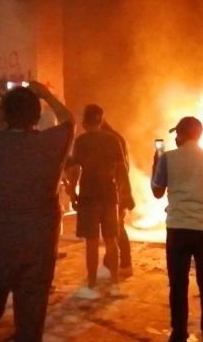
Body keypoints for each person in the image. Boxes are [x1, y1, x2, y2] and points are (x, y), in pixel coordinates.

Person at [0, 80, 74, 342]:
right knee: (30, 324)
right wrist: (46, 93)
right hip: (37, 250)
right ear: (37, 116)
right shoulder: (50, 144)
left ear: (3, 114)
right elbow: (69, 121)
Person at [151, 116, 203, 342]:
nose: (175, 138)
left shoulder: (167, 159)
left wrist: (155, 161)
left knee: (178, 284)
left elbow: (157, 191)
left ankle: (178, 332)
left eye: (177, 134)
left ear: (182, 135)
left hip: (177, 229)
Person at [65, 104, 127, 299]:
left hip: (88, 197)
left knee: (91, 242)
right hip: (110, 195)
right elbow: (121, 171)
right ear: (101, 119)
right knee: (111, 239)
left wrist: (72, 194)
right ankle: (114, 283)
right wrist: (123, 196)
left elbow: (75, 171)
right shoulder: (113, 140)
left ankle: (91, 283)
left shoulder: (81, 142)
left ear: (85, 121)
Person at [101, 120, 134, 276]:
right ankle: (112, 261)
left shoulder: (111, 140)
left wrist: (125, 195)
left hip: (115, 191)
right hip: (116, 190)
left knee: (117, 228)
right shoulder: (116, 138)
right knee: (114, 228)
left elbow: (120, 170)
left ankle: (125, 263)